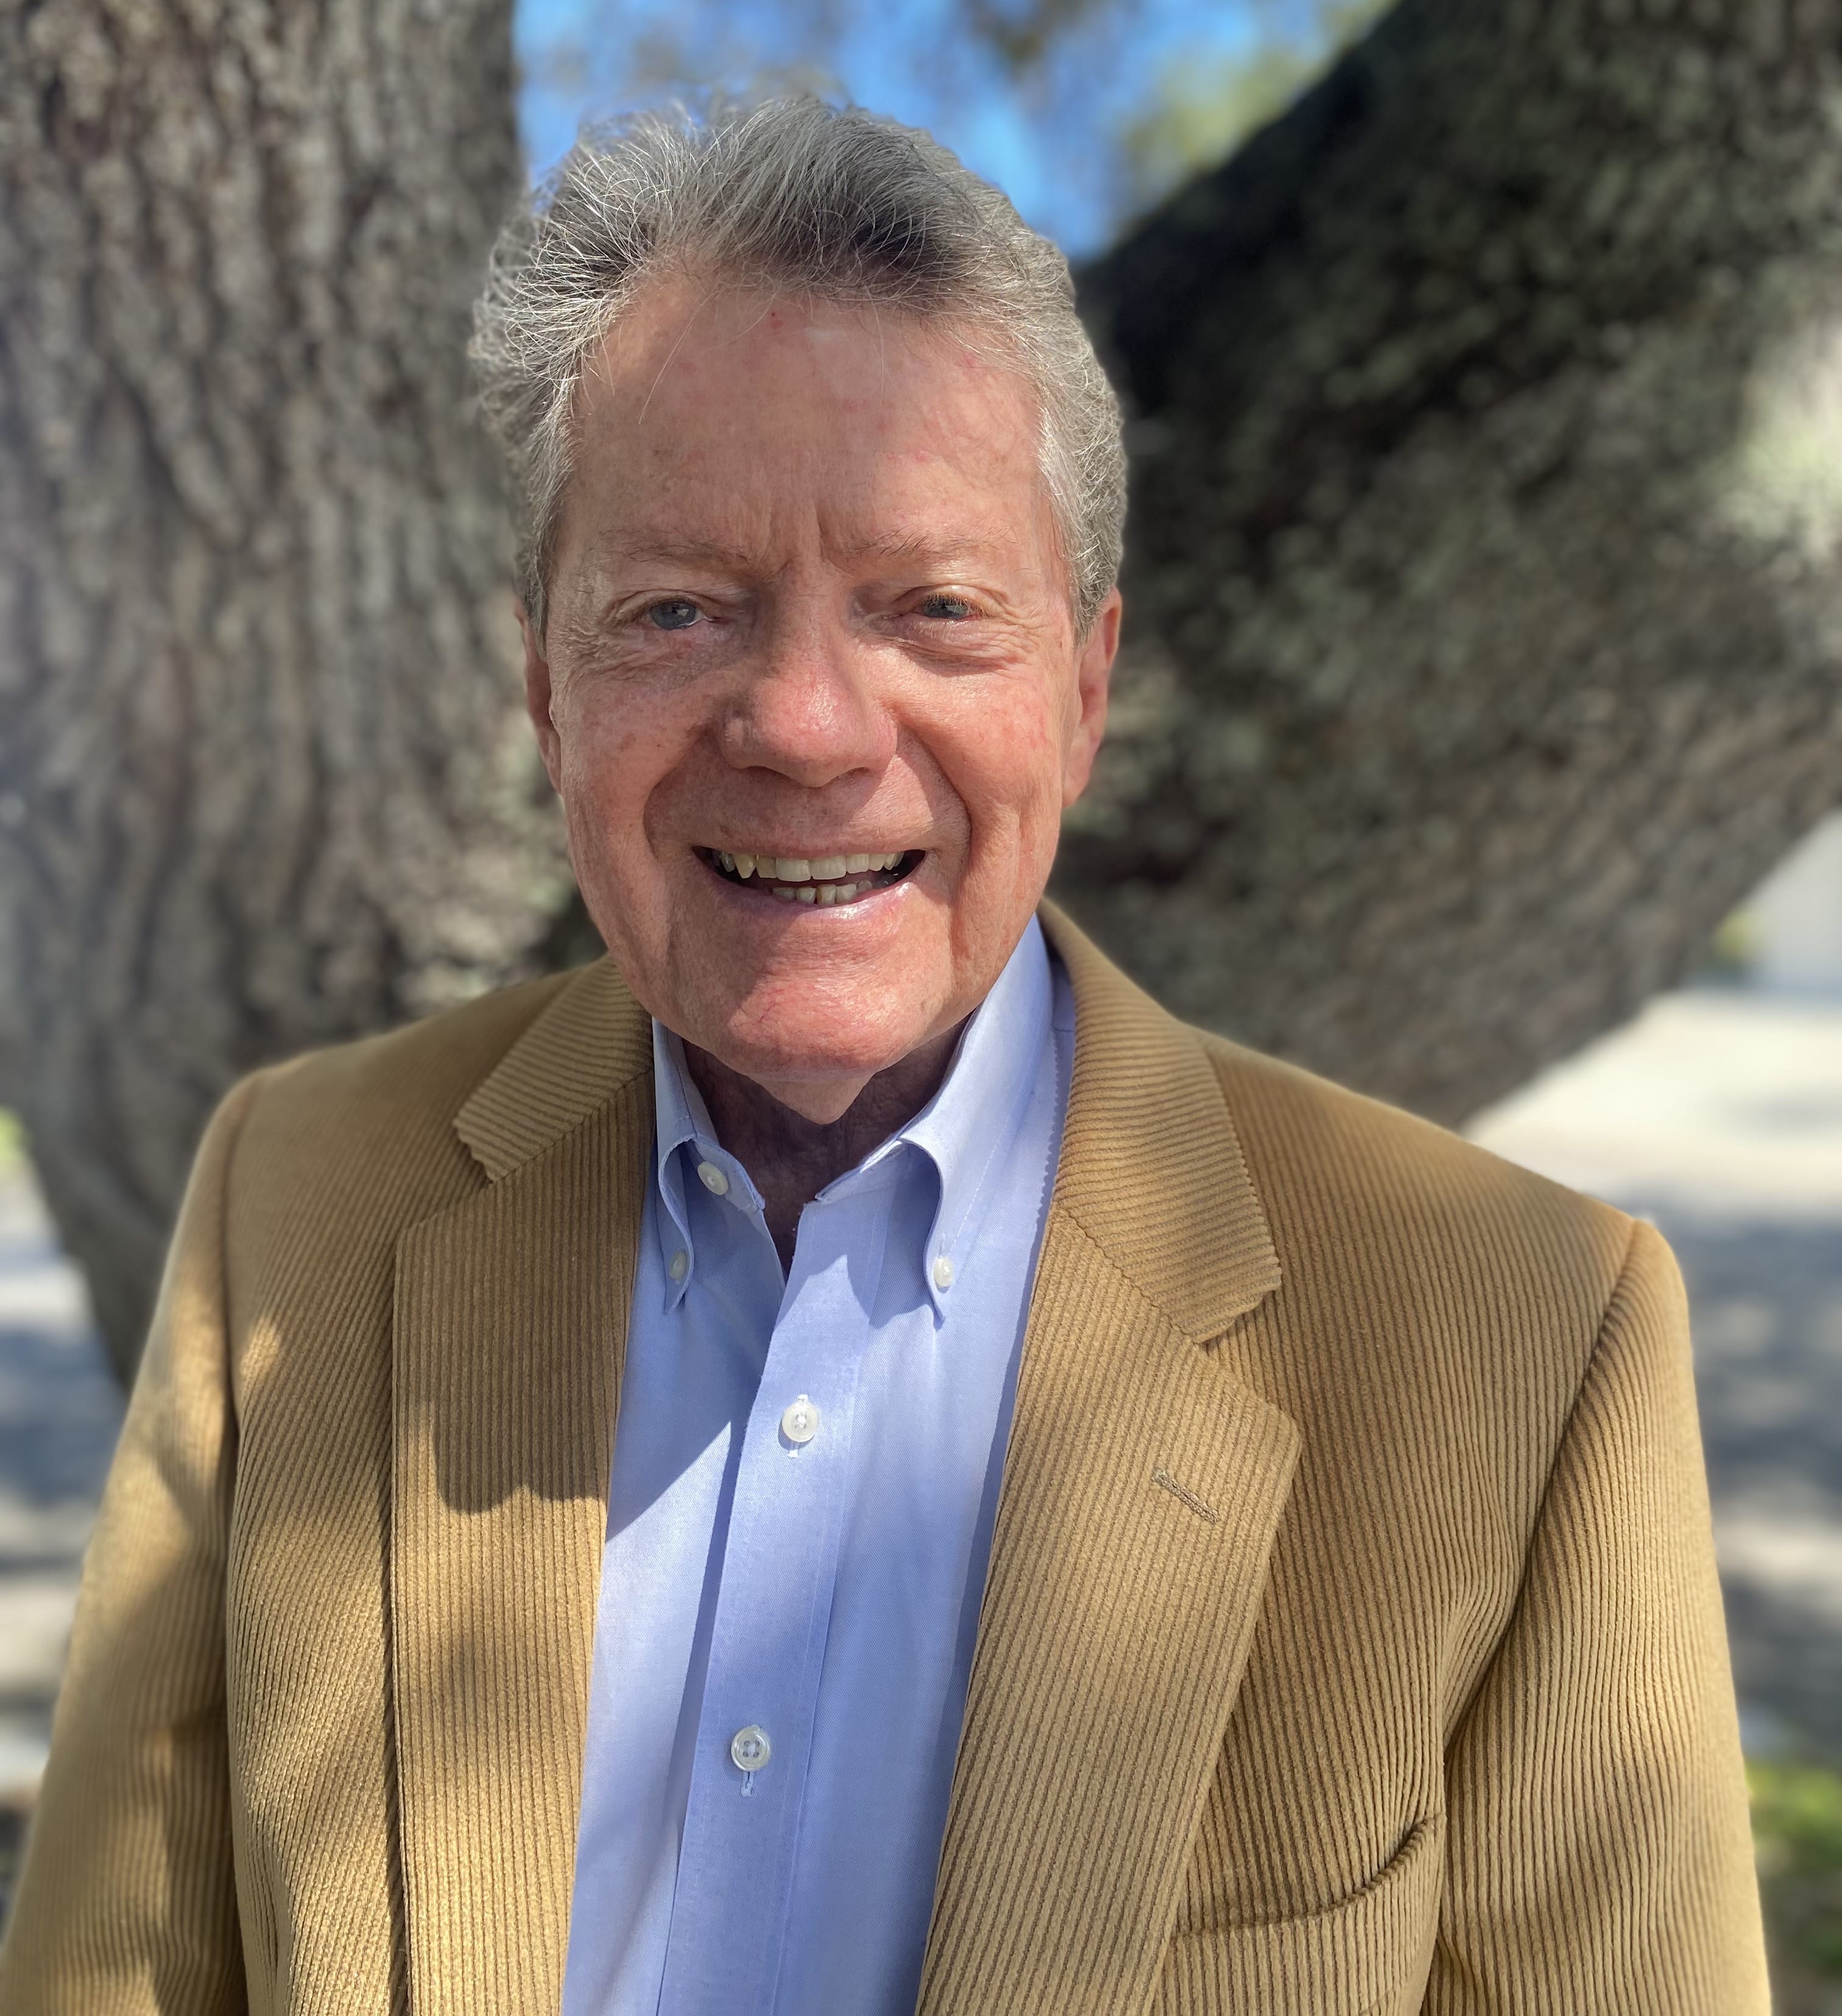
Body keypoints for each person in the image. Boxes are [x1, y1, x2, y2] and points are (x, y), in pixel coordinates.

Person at [1, 96, 1766, 2014]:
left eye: (932, 608)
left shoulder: (1529, 1342)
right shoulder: (294, 1200)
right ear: (545, 692)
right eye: (678, 610)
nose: (808, 726)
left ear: (1082, 690)